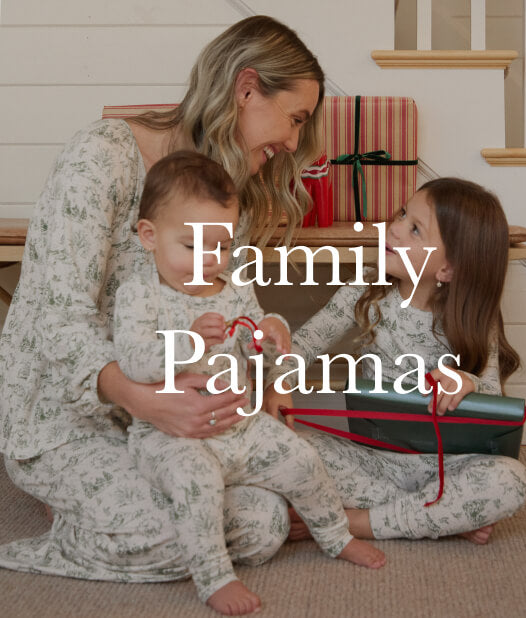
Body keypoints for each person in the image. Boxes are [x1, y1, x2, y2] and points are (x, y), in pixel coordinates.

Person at [0, 15, 327, 584]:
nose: (294, 143)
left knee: (265, 522)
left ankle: (108, 519)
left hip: (167, 428)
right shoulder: (102, 156)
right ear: (246, 88)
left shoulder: (228, 196)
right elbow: (57, 319)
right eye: (295, 119)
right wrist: (143, 400)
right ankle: (70, 534)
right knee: (174, 528)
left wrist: (267, 382)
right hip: (70, 418)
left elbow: (234, 313)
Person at [114, 151, 385, 614]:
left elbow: (251, 336)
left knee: (302, 458)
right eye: (192, 247)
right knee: (194, 483)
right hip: (172, 437)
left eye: (219, 247)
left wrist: (270, 335)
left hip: (241, 427)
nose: (207, 262)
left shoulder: (233, 285)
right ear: (149, 237)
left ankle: (335, 535)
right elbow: (136, 363)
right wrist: (189, 343)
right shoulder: (139, 295)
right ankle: (214, 576)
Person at [265, 178, 526, 546]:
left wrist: (467, 382)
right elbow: (306, 344)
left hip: (447, 467)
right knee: (278, 447)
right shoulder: (367, 289)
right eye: (403, 213)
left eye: (415, 229)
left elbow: (491, 399)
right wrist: (276, 381)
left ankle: (351, 522)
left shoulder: (472, 320)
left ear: (448, 270)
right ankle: (440, 516)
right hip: (371, 462)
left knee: (511, 480)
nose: (394, 227)